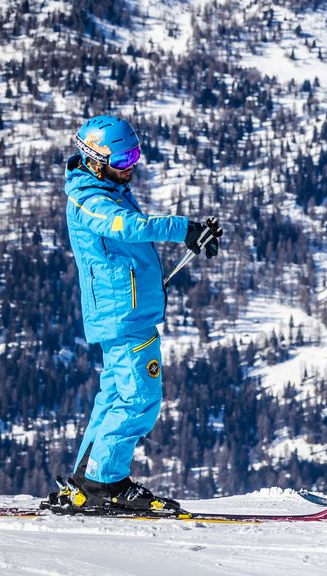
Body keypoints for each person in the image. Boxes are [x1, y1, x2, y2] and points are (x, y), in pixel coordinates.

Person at [63, 115, 221, 511]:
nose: (130, 165)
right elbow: (128, 227)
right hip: (124, 316)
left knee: (115, 397)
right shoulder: (90, 200)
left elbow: (126, 253)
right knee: (140, 399)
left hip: (126, 310)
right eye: (122, 158)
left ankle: (88, 479)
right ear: (94, 158)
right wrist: (183, 227)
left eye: (134, 155)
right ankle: (107, 483)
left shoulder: (106, 186)